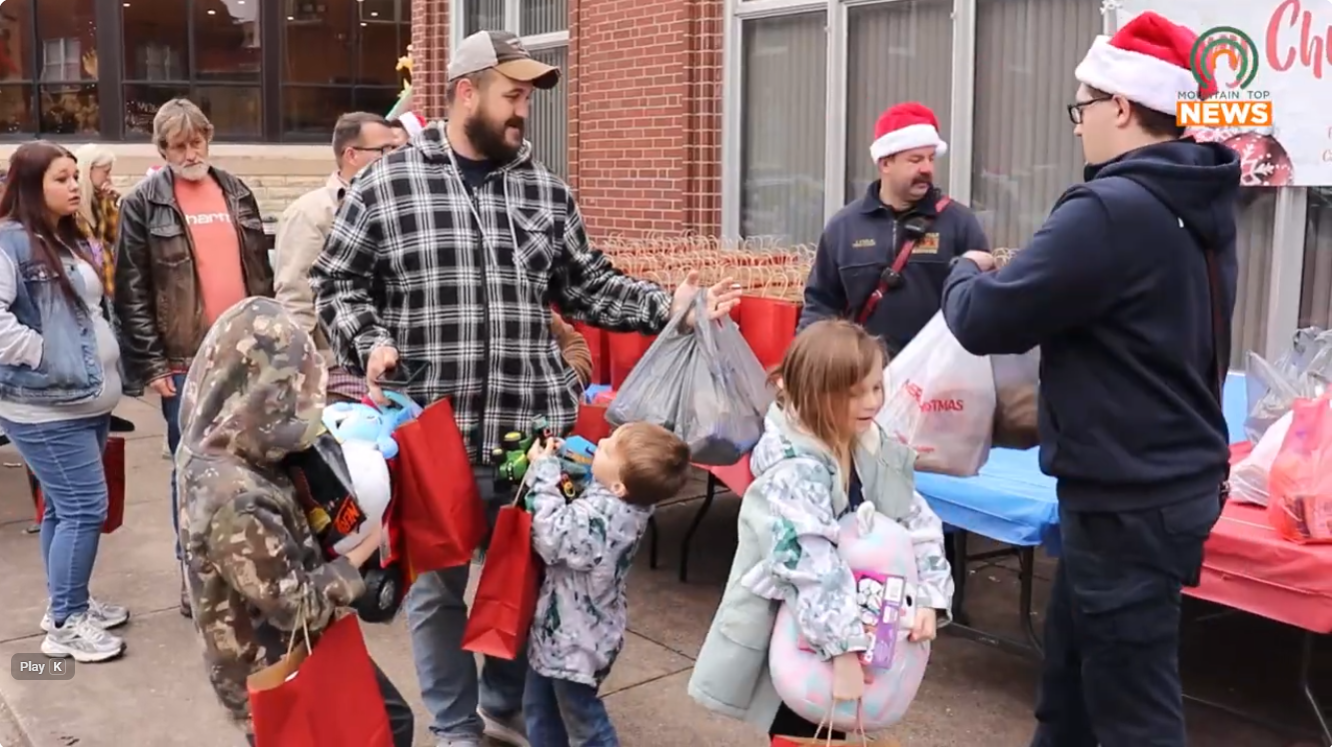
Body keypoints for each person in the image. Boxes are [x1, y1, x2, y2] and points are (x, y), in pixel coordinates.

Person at [310, 29, 741, 747]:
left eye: (528, 99)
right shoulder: (389, 183)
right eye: (511, 95)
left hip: (532, 440)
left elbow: (588, 284)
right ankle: (456, 729)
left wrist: (669, 305)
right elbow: (336, 282)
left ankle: (501, 701)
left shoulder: (545, 189)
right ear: (466, 92)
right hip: (435, 434)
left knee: (530, 579)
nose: (522, 111)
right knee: (438, 592)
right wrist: (370, 339)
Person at [937, 13, 1241, 747]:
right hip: (1162, 485)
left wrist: (964, 271)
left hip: (1126, 501)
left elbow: (984, 320)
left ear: (1122, 106)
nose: (1079, 127)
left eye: (1083, 107)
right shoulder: (1196, 198)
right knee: (1070, 689)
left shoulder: (1110, 208)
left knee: (1136, 713)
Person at [688, 320, 953, 738]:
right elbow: (808, 562)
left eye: (876, 387)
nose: (872, 402)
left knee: (826, 726)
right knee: (802, 722)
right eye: (854, 393)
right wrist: (843, 651)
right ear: (816, 393)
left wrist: (931, 596)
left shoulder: (866, 442)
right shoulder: (793, 468)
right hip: (797, 626)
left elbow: (915, 518)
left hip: (851, 620)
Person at [175, 296, 413, 746]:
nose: (297, 403)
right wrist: (364, 552)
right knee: (387, 725)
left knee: (390, 719)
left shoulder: (223, 435)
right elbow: (295, 608)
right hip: (273, 661)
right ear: (260, 391)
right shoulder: (234, 498)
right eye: (287, 390)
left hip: (294, 644)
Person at [114, 97, 275, 617]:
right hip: (185, 360)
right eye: (180, 145)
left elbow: (261, 273)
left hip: (245, 354)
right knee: (193, 471)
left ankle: (248, 568)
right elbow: (131, 290)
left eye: (198, 141)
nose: (191, 153)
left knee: (252, 466)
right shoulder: (143, 203)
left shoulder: (236, 191)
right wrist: (151, 363)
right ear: (161, 149)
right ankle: (198, 574)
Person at [0, 141, 130, 662]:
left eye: (76, 175)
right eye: (61, 178)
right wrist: (45, 355)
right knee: (84, 508)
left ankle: (67, 601)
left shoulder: (61, 236)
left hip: (84, 403)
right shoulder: (11, 242)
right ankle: (65, 624)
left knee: (63, 507)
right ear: (32, 185)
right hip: (47, 409)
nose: (75, 185)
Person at [522, 422, 691, 746]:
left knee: (583, 722)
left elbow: (552, 537)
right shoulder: (624, 501)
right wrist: (566, 458)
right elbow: (595, 486)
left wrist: (543, 471)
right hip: (570, 632)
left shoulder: (604, 518)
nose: (599, 441)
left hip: (575, 642)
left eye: (608, 448)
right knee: (540, 708)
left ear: (619, 486)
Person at [797, 102, 990, 357]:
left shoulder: (959, 223)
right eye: (915, 160)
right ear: (885, 163)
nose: (927, 169)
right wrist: (803, 362)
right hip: (864, 375)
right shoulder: (843, 228)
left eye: (931, 158)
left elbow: (980, 303)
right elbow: (820, 305)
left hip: (939, 375)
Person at [275, 111, 398, 402]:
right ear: (351, 155)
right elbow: (296, 298)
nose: (393, 158)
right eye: (383, 150)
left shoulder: (397, 205)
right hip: (336, 374)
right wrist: (305, 375)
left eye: (396, 149)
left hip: (390, 364)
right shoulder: (311, 213)